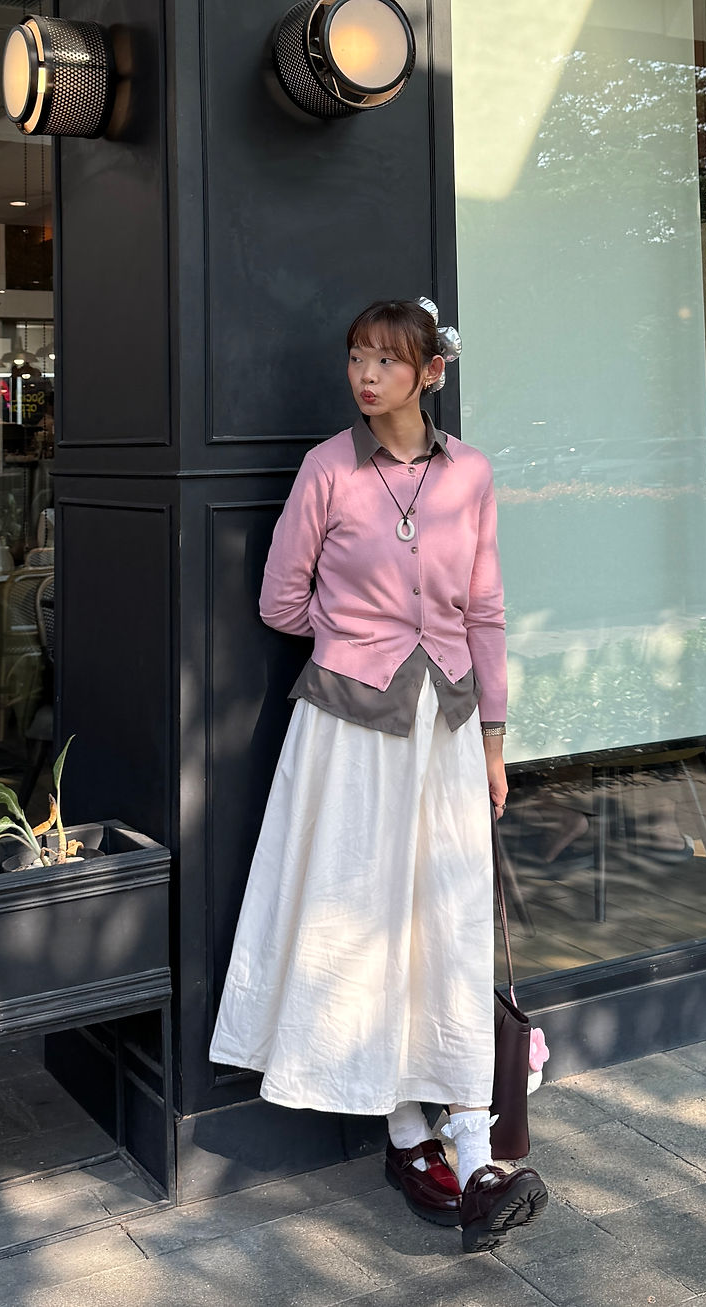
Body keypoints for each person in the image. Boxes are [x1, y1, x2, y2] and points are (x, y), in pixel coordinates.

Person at [210, 299, 547, 1253]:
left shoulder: (470, 472)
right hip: (348, 731)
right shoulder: (328, 469)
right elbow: (282, 599)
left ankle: (476, 1150)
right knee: (358, 920)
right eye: (357, 356)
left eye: (387, 361)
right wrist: (360, 642)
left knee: (444, 921)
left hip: (443, 731)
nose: (366, 374)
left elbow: (487, 609)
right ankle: (408, 1134)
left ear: (430, 373)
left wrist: (491, 736)